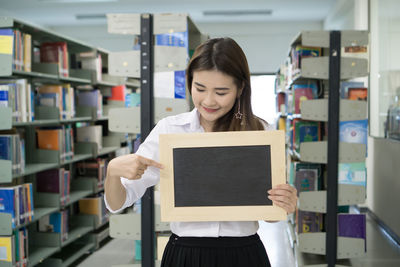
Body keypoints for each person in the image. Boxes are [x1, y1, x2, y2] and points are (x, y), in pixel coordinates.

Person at [104, 37, 298, 267]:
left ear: (240, 88)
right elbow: (118, 202)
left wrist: (285, 201)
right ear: (189, 82)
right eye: (200, 88)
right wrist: (112, 172)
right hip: (185, 254)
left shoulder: (259, 131)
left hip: (244, 253)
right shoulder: (170, 130)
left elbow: (270, 214)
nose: (208, 100)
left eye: (221, 92)